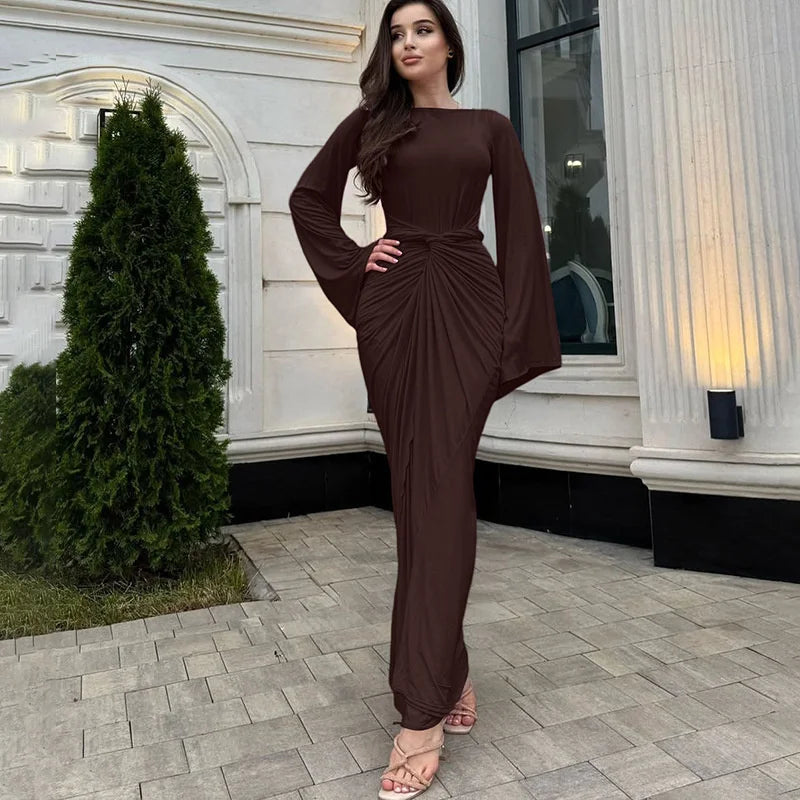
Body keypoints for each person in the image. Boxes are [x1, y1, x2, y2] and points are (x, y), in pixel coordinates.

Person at [289, 1, 561, 796]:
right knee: (420, 500)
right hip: (398, 311)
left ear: (449, 44)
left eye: (422, 31)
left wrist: (512, 338)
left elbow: (517, 229)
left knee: (440, 493)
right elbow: (309, 201)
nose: (408, 43)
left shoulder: (490, 128)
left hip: (469, 311)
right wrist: (358, 261)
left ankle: (420, 712)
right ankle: (449, 670)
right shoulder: (374, 121)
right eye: (397, 34)